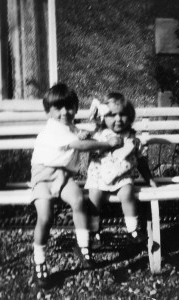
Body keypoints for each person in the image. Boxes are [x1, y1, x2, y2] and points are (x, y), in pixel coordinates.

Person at [31, 83, 123, 288]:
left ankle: (82, 246)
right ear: (48, 111)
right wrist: (107, 144)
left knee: (79, 200)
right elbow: (80, 145)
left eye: (70, 107)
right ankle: (39, 260)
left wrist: (83, 131)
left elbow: (77, 134)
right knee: (45, 217)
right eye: (58, 108)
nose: (65, 112)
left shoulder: (68, 126)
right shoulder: (54, 128)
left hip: (64, 176)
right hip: (44, 176)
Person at [85, 92, 157, 247]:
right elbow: (85, 146)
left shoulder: (132, 138)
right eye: (112, 115)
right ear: (103, 116)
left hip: (122, 177)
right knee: (94, 197)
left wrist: (149, 179)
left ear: (129, 117)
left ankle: (132, 230)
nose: (118, 119)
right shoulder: (98, 134)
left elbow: (141, 161)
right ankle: (94, 231)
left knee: (127, 193)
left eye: (123, 114)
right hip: (98, 176)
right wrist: (87, 137)